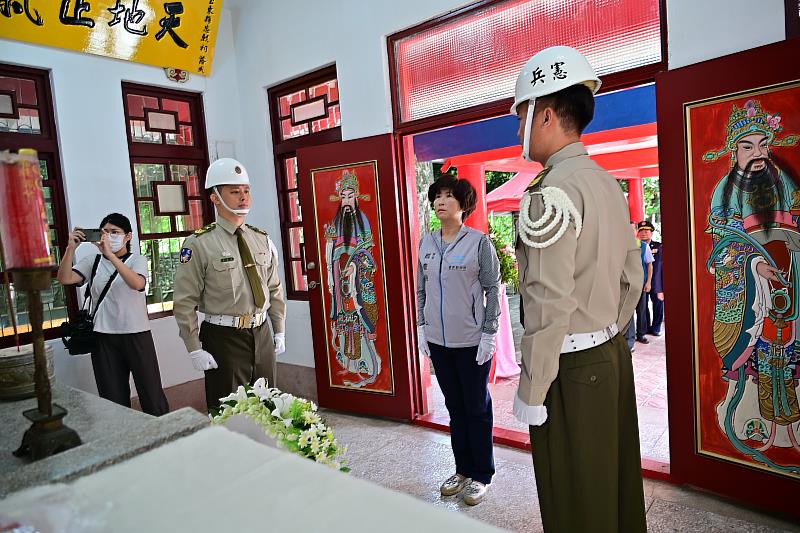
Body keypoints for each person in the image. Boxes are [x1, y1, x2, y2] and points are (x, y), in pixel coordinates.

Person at [510, 46, 646, 532]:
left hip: (569, 368)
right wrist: (605, 324)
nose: (517, 125)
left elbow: (548, 305)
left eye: (521, 113)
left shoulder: (551, 193)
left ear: (545, 114)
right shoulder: (605, 183)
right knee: (613, 488)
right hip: (609, 355)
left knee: (572, 498)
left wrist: (532, 388)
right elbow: (635, 277)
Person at [705, 99, 800, 465]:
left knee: (790, 346)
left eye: (763, 144)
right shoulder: (724, 191)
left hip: (791, 273)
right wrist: (755, 266)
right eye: (748, 146)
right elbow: (724, 247)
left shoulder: (785, 181)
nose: (757, 153)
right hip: (753, 287)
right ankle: (759, 423)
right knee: (758, 351)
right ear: (735, 150)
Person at [173, 158, 286, 412]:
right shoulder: (199, 244)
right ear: (215, 198)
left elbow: (274, 289)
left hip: (261, 332)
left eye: (246, 191)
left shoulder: (261, 239)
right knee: (231, 413)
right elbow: (184, 302)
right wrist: (194, 348)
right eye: (234, 192)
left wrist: (278, 329)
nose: (243, 197)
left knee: (269, 407)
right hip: (224, 338)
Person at [417, 175, 501, 506]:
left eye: (448, 196)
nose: (440, 201)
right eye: (436, 196)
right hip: (439, 341)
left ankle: (482, 474)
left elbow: (493, 288)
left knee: (476, 407)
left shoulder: (478, 242)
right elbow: (421, 287)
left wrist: (489, 332)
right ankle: (462, 469)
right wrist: (422, 327)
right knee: (455, 408)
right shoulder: (426, 242)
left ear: (463, 203)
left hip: (471, 341)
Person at [56, 213, 169, 416]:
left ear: (128, 236)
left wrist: (112, 257)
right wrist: (70, 248)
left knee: (151, 392)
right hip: (103, 337)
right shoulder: (93, 261)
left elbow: (137, 284)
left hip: (136, 334)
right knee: (112, 396)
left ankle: (166, 436)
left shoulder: (137, 260)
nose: (109, 236)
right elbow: (65, 278)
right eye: (105, 232)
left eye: (115, 232)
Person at [325, 169, 381, 388]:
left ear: (356, 196)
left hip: (357, 278)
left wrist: (356, 267)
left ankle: (366, 364)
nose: (346, 200)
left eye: (350, 196)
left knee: (358, 315)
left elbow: (367, 249)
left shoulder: (362, 220)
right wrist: (333, 276)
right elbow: (331, 250)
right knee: (343, 317)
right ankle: (349, 363)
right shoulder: (337, 221)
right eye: (343, 196)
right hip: (340, 276)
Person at [637, 220, 664, 336]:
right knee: (643, 307)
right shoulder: (636, 247)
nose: (644, 233)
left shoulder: (659, 246)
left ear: (652, 232)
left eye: (646, 230)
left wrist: (660, 286)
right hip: (642, 281)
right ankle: (645, 327)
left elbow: (660, 267)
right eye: (641, 230)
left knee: (657, 305)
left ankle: (656, 327)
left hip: (656, 281)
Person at [635, 222, 655, 344]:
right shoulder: (622, 245)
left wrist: (648, 282)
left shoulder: (643, 246)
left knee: (641, 310)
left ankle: (641, 334)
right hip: (627, 284)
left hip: (641, 284)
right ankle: (628, 334)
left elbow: (649, 265)